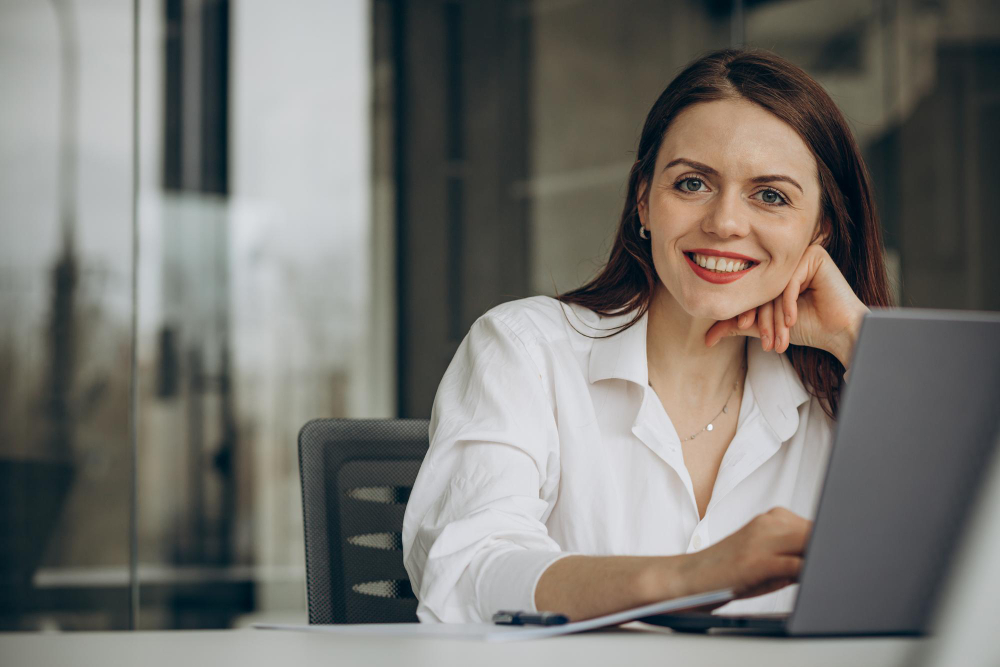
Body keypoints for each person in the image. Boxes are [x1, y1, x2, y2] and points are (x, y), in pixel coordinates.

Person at [401, 47, 892, 624]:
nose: (725, 222)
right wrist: (689, 578)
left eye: (771, 196)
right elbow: (465, 569)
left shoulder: (846, 395)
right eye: (692, 184)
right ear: (644, 200)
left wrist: (858, 339)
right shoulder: (526, 348)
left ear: (821, 230)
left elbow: (967, 558)